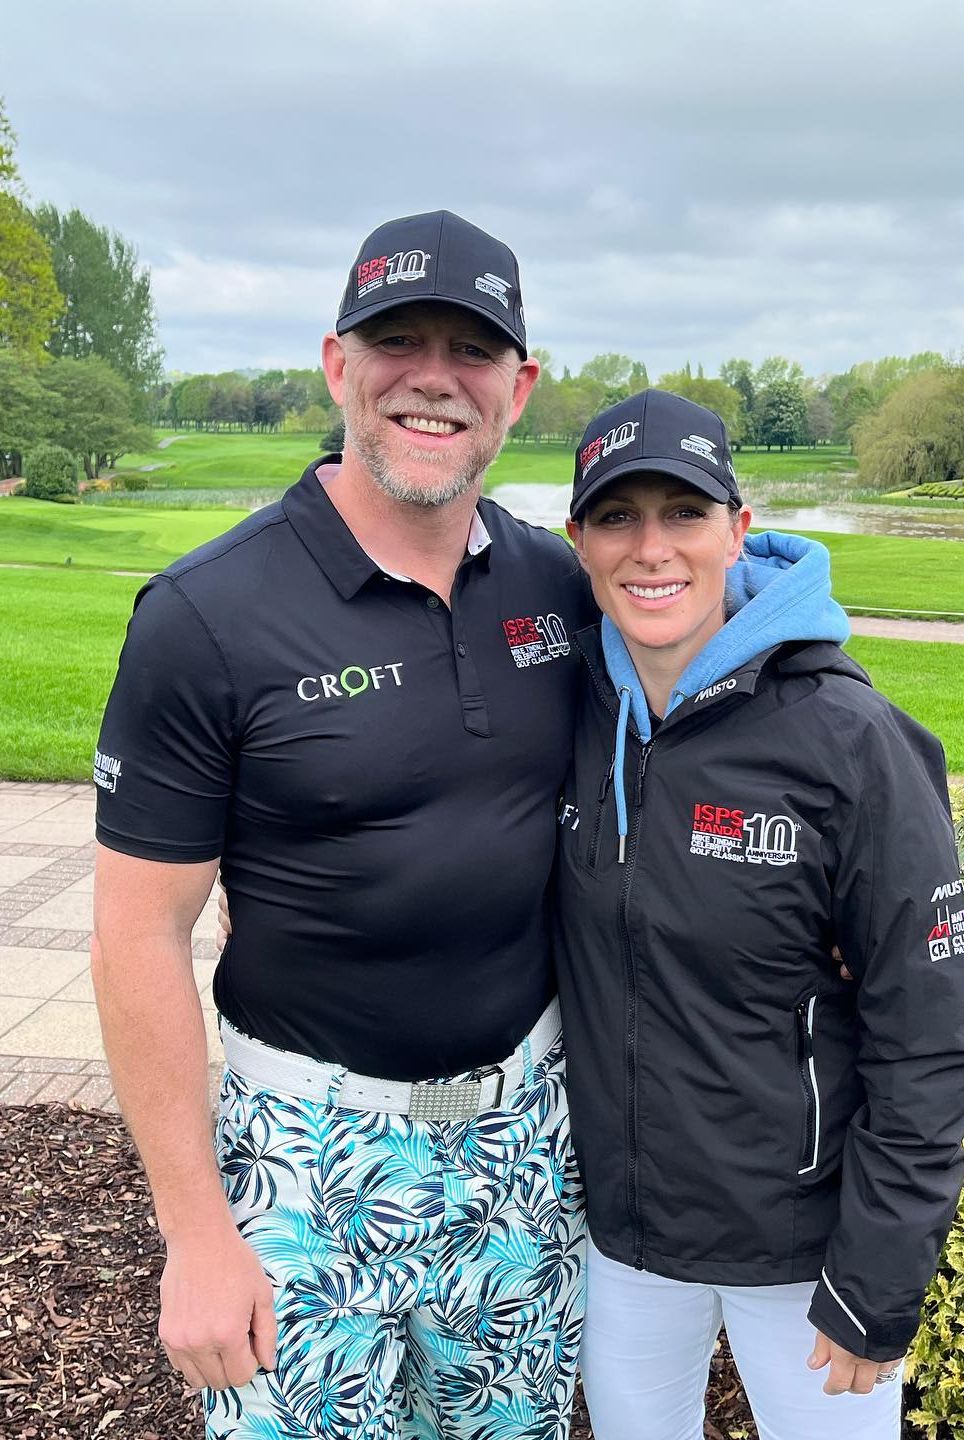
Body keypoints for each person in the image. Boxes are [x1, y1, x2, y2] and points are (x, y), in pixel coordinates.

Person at [91, 211, 596, 1440]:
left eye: (472, 350)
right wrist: (196, 1234)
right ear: (337, 365)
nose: (433, 377)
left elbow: (713, 659)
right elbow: (136, 936)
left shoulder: (559, 585)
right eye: (397, 341)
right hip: (307, 1155)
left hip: (527, 1138)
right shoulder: (206, 616)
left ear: (518, 388)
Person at [552, 389, 964, 1440]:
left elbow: (932, 1037)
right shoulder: (569, 705)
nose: (651, 548)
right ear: (578, 541)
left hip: (803, 1257)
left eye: (684, 512)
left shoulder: (850, 740)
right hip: (626, 1244)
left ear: (739, 529)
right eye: (617, 516)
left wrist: (878, 1281)